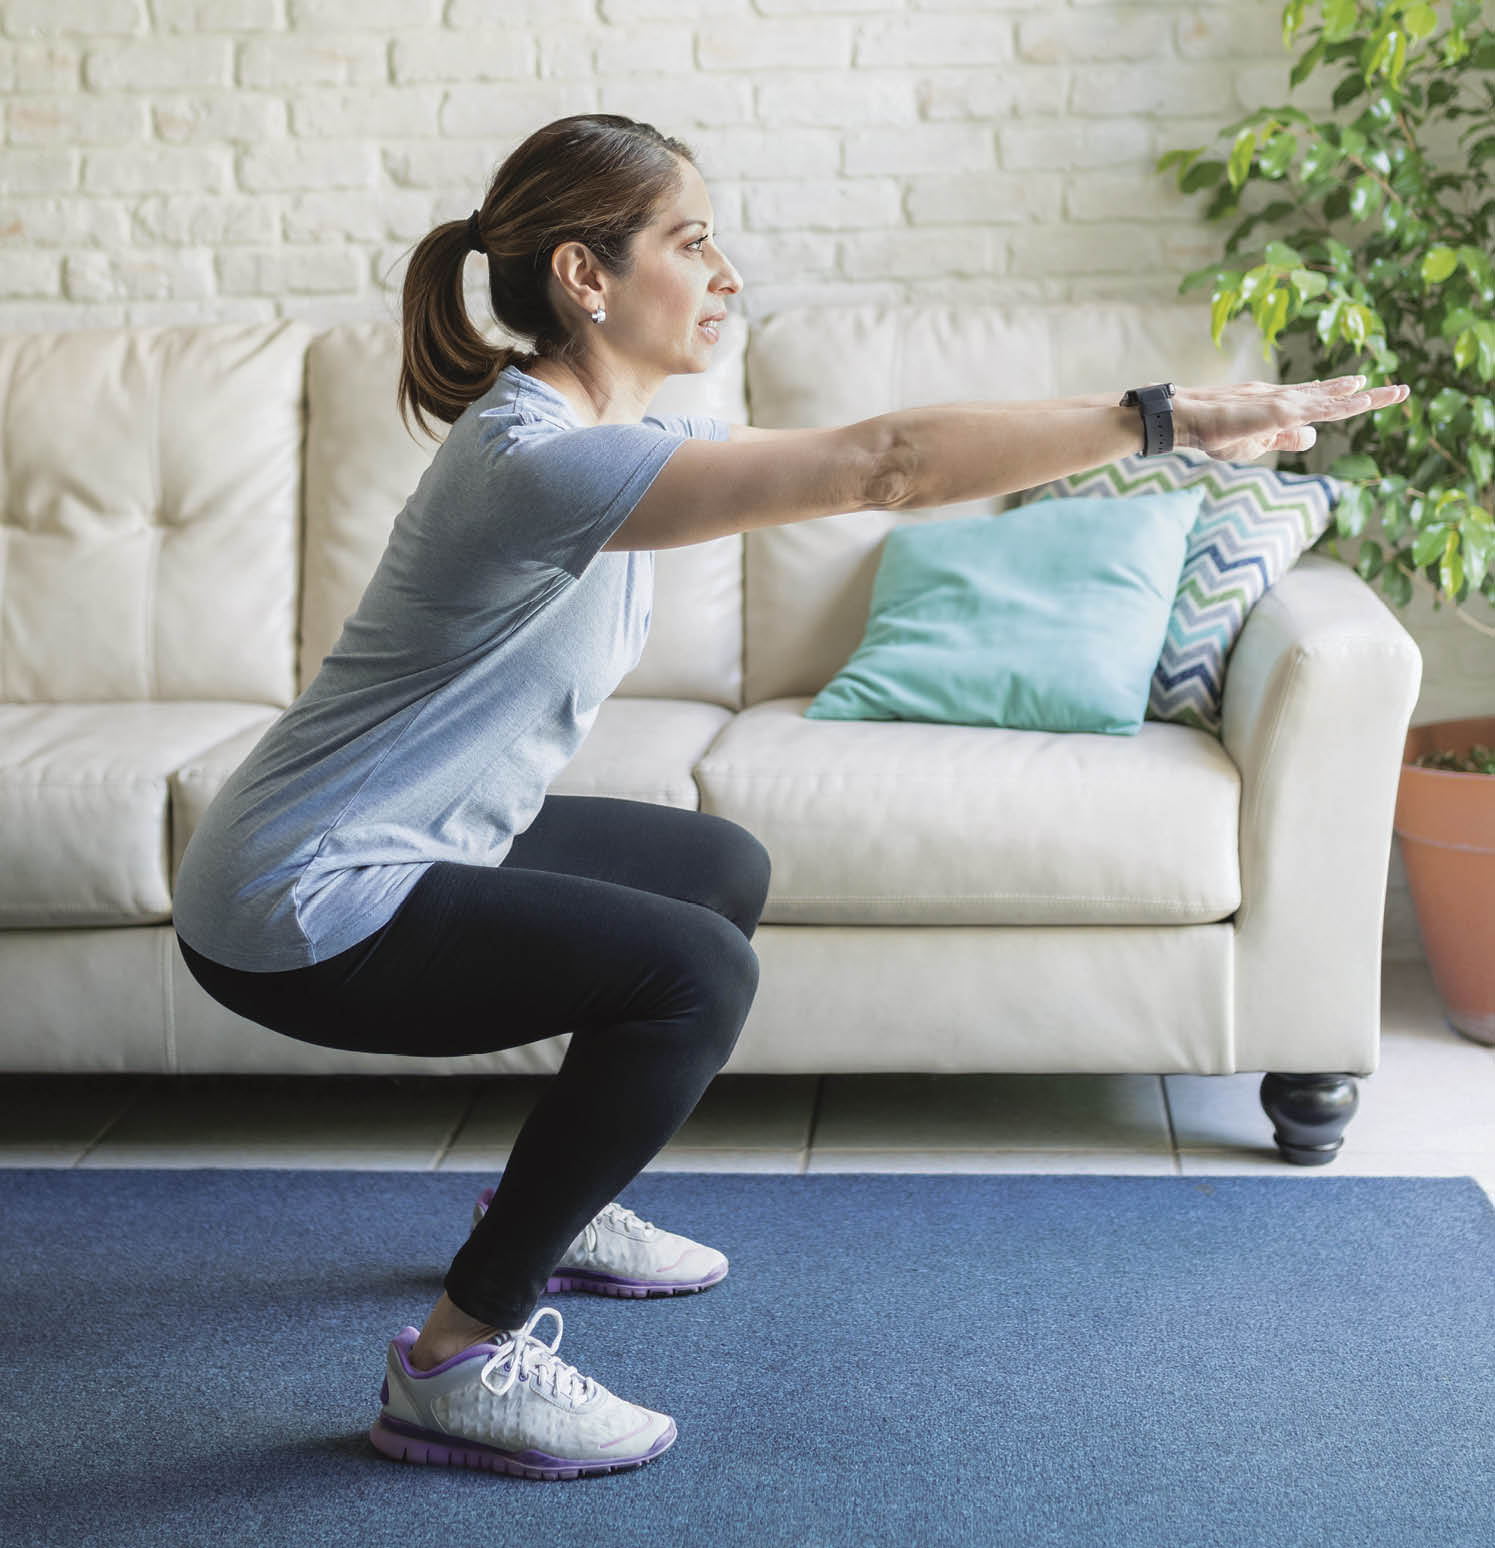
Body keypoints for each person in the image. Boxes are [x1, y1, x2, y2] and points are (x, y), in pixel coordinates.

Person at [172, 111, 1410, 1483]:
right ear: (588, 276)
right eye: (691, 242)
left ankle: (552, 1210)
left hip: (391, 846)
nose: (728, 276)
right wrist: (1161, 419)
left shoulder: (597, 432)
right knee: (694, 974)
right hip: (302, 894)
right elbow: (885, 464)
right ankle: (454, 1360)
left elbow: (883, 456)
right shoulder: (539, 460)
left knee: (716, 872)